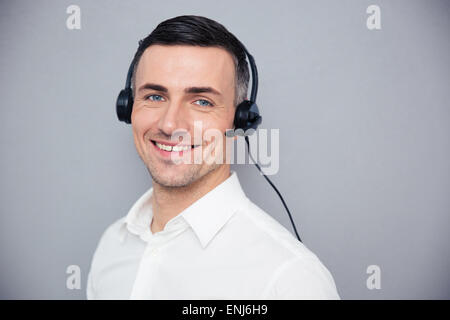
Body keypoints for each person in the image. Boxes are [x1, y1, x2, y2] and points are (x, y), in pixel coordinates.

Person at [86, 15, 340, 300]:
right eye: (155, 96)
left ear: (242, 120)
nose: (170, 125)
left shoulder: (290, 279)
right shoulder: (112, 245)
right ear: (128, 107)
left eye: (202, 102)